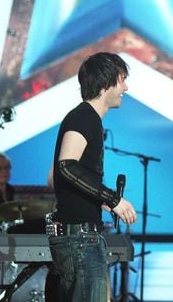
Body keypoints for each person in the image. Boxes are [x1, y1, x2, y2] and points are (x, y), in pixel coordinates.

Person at [47, 52, 137, 302]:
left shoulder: (83, 117)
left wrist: (97, 199)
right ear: (105, 83)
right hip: (80, 239)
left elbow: (53, 177)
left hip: (76, 237)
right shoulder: (85, 117)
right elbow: (65, 166)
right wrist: (113, 198)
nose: (126, 87)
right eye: (122, 80)